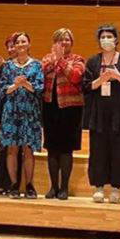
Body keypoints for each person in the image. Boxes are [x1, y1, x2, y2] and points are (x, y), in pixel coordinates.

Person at [82, 24, 120, 204]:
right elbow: (86, 87)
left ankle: (116, 188)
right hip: (99, 113)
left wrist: (118, 76)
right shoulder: (93, 61)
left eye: (109, 36)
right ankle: (98, 187)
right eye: (103, 37)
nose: (106, 40)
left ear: (116, 39)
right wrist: (102, 79)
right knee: (98, 150)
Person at [0, 32, 44, 198]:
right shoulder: (8, 66)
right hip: (11, 111)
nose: (21, 44)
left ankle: (29, 185)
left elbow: (39, 89)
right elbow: (3, 90)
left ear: (29, 44)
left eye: (24, 41)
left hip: (30, 111)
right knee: (12, 149)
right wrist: (16, 85)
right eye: (18, 42)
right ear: (14, 46)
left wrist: (25, 83)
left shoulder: (37, 65)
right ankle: (14, 184)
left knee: (28, 149)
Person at [41, 28, 85, 200]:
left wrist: (60, 60)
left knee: (67, 149)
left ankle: (64, 187)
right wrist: (55, 59)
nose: (64, 42)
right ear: (54, 43)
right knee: (52, 149)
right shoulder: (47, 58)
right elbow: (43, 71)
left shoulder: (77, 59)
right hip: (50, 107)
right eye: (60, 40)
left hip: (71, 108)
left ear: (71, 42)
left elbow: (75, 76)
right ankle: (53, 186)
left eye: (67, 39)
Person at [0, 34, 23, 195]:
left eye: (13, 45)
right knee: (4, 146)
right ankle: (1, 183)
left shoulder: (28, 64)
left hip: (23, 111)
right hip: (7, 110)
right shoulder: (5, 66)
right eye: (9, 46)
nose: (11, 49)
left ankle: (16, 184)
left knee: (20, 148)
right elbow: (0, 90)